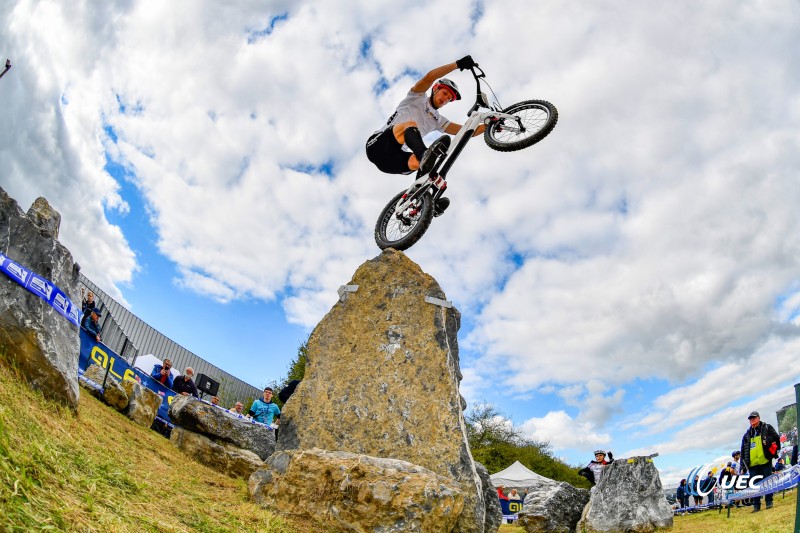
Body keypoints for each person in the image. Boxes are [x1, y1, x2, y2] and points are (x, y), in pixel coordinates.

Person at [365, 55, 485, 217]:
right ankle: (423, 155)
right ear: (435, 88)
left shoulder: (438, 121)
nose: (445, 100)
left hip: (391, 162)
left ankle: (424, 202)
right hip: (378, 145)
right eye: (444, 94)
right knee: (410, 127)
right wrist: (457, 64)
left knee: (426, 163)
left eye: (449, 99)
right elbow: (430, 76)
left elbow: (467, 132)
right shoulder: (416, 97)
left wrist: (491, 124)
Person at [740, 411, 780, 512]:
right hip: (753, 464)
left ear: (758, 418)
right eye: (750, 418)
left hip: (765, 461)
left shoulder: (767, 427)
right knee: (755, 486)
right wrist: (742, 466)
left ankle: (769, 502)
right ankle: (756, 505)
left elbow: (776, 438)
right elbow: (743, 450)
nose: (752, 420)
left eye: (754, 418)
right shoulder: (747, 434)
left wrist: (768, 441)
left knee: (767, 482)